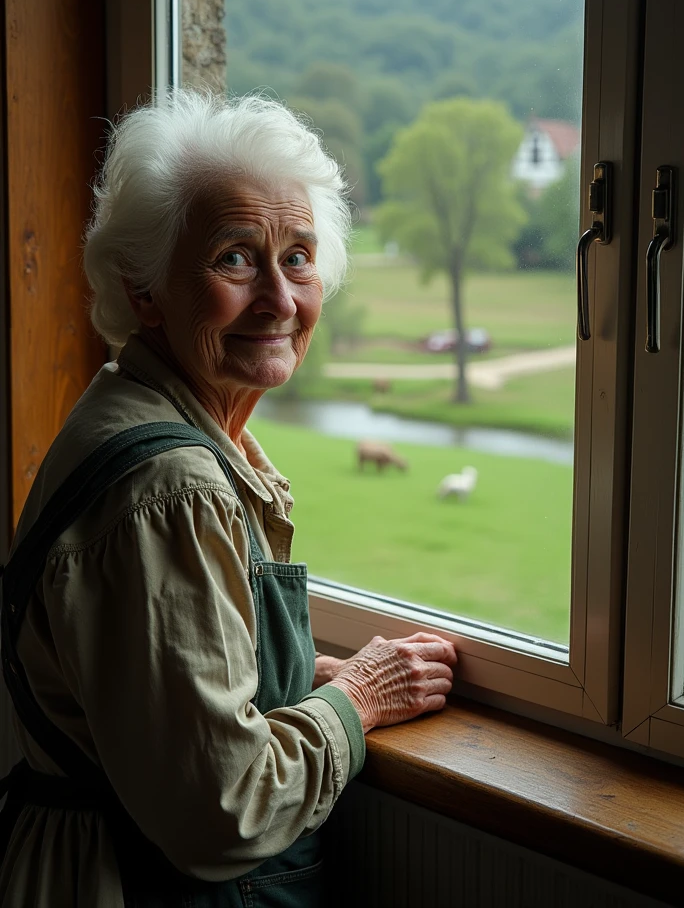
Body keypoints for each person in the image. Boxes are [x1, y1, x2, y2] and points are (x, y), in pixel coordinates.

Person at [0, 91, 457, 908]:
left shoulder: (139, 406)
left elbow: (165, 682)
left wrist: (302, 674)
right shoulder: (171, 487)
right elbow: (223, 810)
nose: (280, 299)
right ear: (145, 290)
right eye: (236, 258)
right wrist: (358, 698)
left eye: (300, 256)